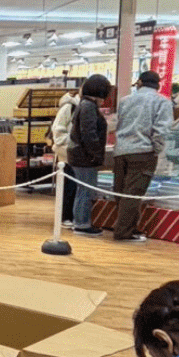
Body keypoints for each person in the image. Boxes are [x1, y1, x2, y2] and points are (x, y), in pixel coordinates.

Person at [110, 70, 173, 242]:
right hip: (143, 152)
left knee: (121, 191)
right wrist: (156, 149)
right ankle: (123, 232)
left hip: (120, 151)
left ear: (139, 83)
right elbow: (162, 130)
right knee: (133, 193)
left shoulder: (125, 101)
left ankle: (129, 228)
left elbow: (117, 124)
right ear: (158, 84)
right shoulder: (162, 101)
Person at [68, 74, 110, 236]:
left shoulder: (84, 104)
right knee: (86, 191)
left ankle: (80, 222)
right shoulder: (89, 107)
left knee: (82, 190)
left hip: (79, 155)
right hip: (85, 157)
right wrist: (96, 154)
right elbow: (89, 133)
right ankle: (82, 224)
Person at [48, 88, 78, 227]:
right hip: (66, 153)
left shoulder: (79, 107)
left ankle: (70, 216)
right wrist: (73, 140)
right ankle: (65, 216)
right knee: (68, 186)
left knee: (73, 186)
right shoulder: (69, 107)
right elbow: (58, 131)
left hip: (74, 152)